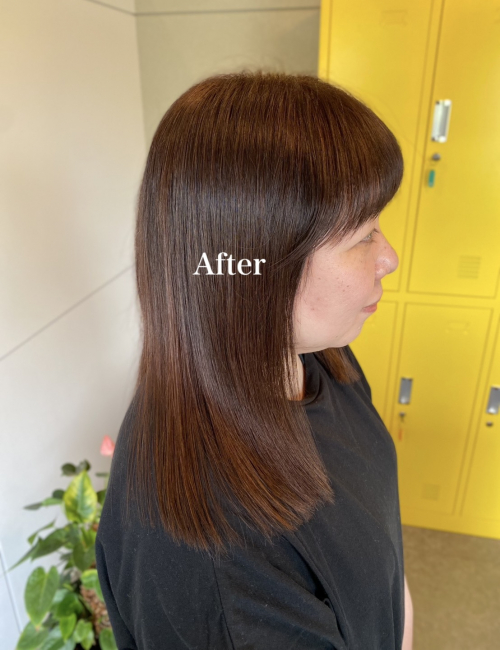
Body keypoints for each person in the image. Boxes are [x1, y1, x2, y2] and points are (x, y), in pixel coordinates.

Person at [96, 70, 413, 649]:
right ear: (254, 268)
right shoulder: (212, 559)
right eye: (363, 235)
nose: (389, 256)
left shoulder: (324, 361)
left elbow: (381, 554)